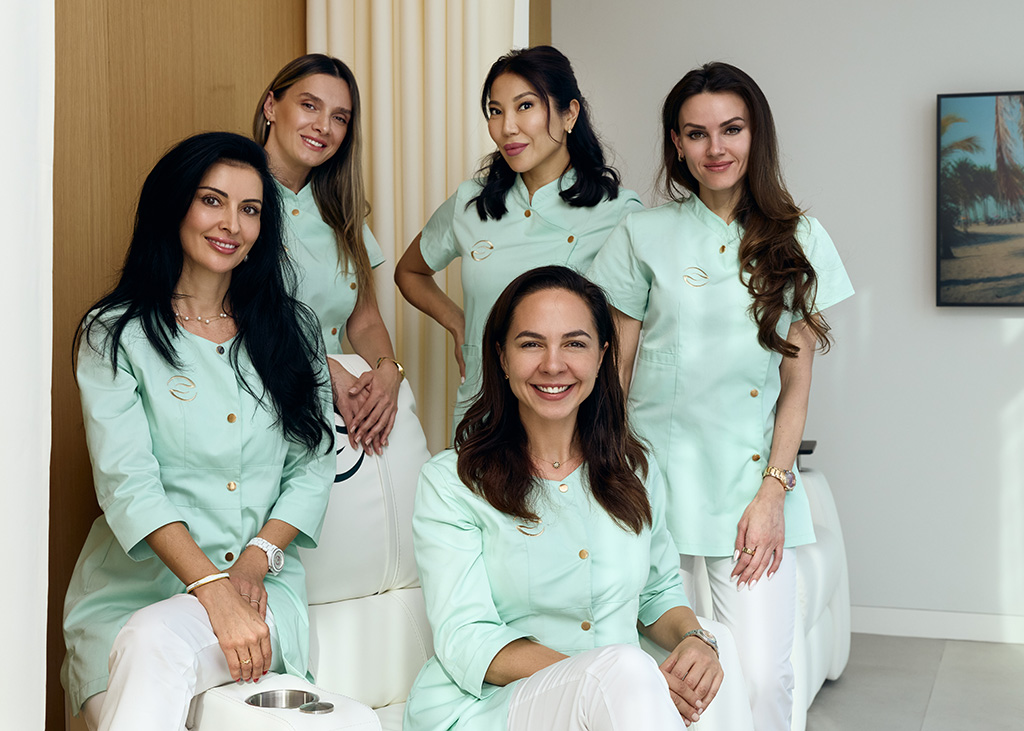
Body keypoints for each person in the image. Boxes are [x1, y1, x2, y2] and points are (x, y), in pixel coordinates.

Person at [587, 62, 855, 730]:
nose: (716, 148)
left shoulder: (800, 238)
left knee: (763, 678)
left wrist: (774, 491)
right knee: (665, 679)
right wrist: (606, 470)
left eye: (731, 129)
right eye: (696, 133)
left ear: (755, 134)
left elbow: (796, 384)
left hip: (749, 493)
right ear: (676, 143)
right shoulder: (643, 234)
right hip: (650, 486)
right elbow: (615, 372)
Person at [60, 132, 336, 731]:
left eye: (250, 209)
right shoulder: (114, 334)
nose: (231, 224)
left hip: (258, 593)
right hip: (131, 593)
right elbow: (128, 483)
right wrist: (210, 587)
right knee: (149, 640)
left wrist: (255, 562)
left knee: (157, 641)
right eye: (212, 201)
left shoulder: (294, 333)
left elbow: (313, 464)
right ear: (175, 205)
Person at [404, 266, 724, 730]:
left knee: (717, 657)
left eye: (574, 344)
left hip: (625, 700)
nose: (553, 365)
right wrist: (608, 679)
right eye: (531, 344)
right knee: (628, 670)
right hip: (494, 706)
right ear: (501, 356)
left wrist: (695, 638)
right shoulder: (452, 483)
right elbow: (467, 637)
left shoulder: (634, 470)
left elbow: (658, 592)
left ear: (602, 356)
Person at [394, 46, 642, 429]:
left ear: (569, 114)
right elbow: (409, 272)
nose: (507, 127)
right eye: (495, 111)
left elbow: (621, 346)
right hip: (482, 416)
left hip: (570, 423)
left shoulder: (619, 213)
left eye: (525, 106)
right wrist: (461, 325)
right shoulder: (471, 202)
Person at [255, 53, 401, 455]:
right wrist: (324, 369)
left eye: (340, 117)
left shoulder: (342, 212)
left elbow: (365, 320)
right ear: (271, 106)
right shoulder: (237, 198)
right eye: (309, 105)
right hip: (258, 397)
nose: (323, 126)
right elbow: (230, 315)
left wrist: (389, 370)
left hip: (335, 409)